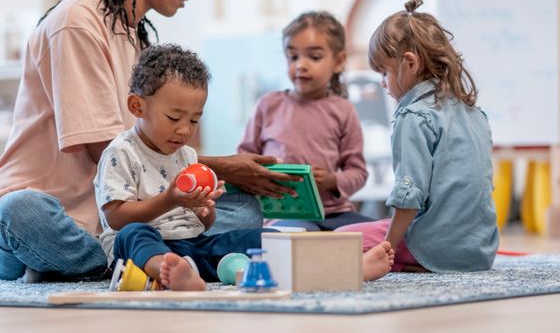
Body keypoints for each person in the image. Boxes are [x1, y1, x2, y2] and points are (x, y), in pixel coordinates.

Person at [0, 0, 298, 283]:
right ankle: (133, 255)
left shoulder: (139, 40)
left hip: (119, 219)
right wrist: (219, 165)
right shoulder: (76, 22)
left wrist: (209, 184)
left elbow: (154, 150)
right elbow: (107, 150)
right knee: (21, 213)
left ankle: (128, 256)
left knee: (242, 206)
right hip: (49, 217)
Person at [97, 44, 394, 290]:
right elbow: (116, 218)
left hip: (192, 246)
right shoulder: (121, 152)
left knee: (259, 238)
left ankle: (345, 268)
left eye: (194, 120)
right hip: (141, 252)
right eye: (174, 118)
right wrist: (170, 199)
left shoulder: (185, 154)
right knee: (134, 233)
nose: (185, 130)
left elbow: (203, 226)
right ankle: (167, 272)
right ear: (137, 107)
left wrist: (205, 210)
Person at [336, 0, 499, 273]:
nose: (382, 83)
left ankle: (407, 262)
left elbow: (409, 197)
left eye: (384, 72)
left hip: (435, 248)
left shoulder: (413, 116)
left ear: (409, 63)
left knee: (340, 240)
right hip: (480, 250)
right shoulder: (475, 114)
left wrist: (385, 249)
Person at [237, 11, 372, 231]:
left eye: (314, 57)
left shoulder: (344, 110)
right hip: (283, 213)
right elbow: (244, 158)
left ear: (339, 62)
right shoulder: (267, 105)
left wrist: (332, 180)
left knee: (385, 234)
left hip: (336, 213)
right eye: (293, 57)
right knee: (301, 238)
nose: (301, 65)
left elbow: (358, 172)